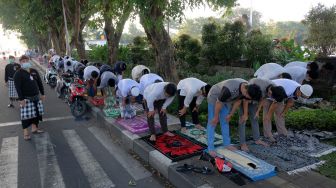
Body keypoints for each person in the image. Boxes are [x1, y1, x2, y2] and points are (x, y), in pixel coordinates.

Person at [207, 78, 261, 156]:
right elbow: (219, 102)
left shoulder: (247, 89)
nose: (247, 98)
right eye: (247, 96)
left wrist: (231, 114)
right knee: (212, 122)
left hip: (227, 99)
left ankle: (227, 144)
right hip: (215, 96)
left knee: (225, 120)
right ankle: (211, 148)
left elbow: (238, 101)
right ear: (245, 90)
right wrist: (215, 117)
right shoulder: (229, 89)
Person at [237, 78, 287, 151]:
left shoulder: (275, 88)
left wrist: (258, 111)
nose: (272, 98)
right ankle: (242, 143)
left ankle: (257, 139)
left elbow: (262, 99)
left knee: (255, 118)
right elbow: (245, 99)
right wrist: (245, 114)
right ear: (270, 92)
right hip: (245, 98)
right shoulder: (257, 84)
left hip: (254, 100)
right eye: (272, 97)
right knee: (242, 120)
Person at [14, 55, 45, 140]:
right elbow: (18, 88)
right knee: (25, 117)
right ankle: (26, 133)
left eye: (26, 61)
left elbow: (39, 83)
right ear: (20, 63)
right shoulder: (18, 73)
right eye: (23, 61)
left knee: (36, 114)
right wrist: (21, 99)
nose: (25, 62)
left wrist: (42, 94)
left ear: (29, 61)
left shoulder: (34, 71)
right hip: (26, 98)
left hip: (36, 96)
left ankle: (35, 128)